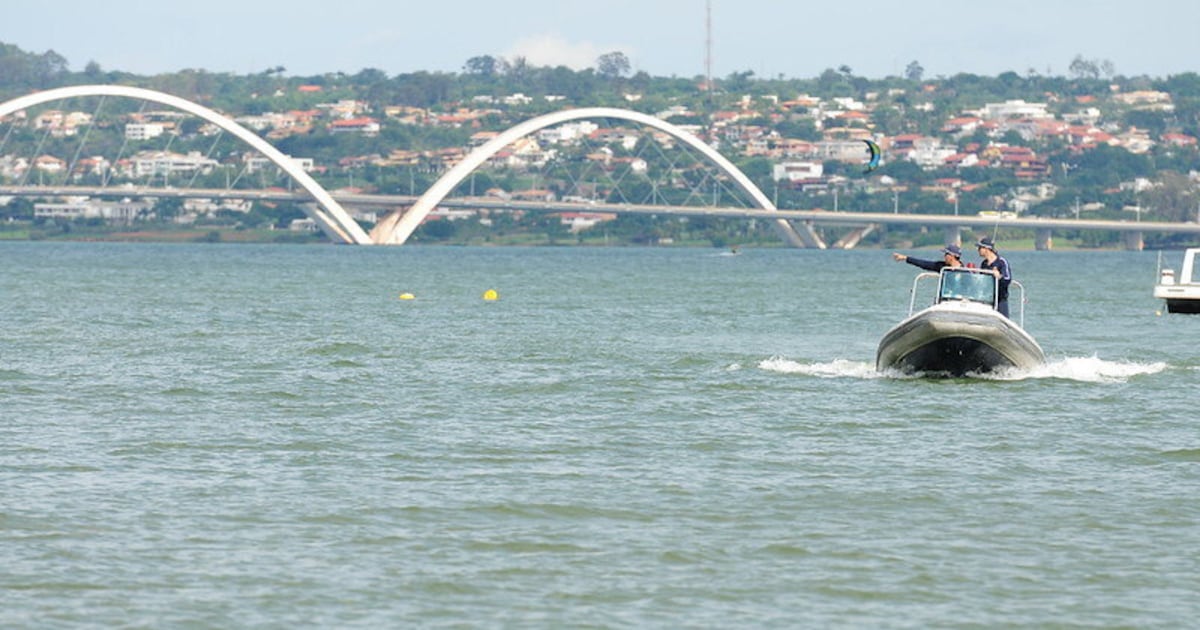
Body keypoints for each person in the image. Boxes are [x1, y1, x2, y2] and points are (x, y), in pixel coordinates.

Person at [975, 237, 1012, 317]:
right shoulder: (984, 264)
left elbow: (1007, 279)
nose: (978, 250)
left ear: (987, 249)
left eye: (980, 248)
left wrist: (999, 276)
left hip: (1000, 300)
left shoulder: (1001, 262)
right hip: (986, 299)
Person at [891, 244, 963, 271]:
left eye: (946, 254)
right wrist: (906, 258)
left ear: (952, 256)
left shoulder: (965, 270)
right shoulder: (942, 267)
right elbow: (924, 264)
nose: (944, 256)